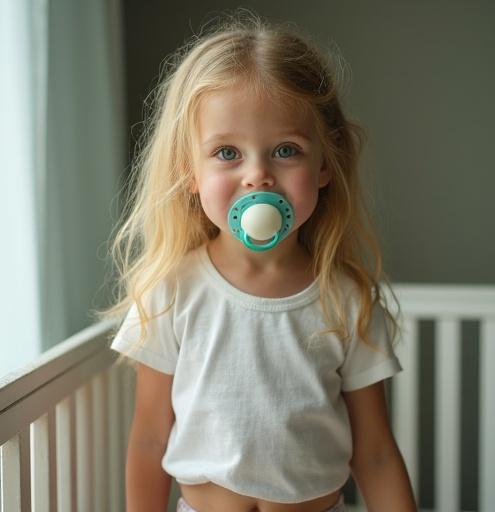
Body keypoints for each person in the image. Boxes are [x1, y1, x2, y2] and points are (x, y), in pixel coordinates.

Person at [99, 8, 417, 512]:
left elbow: (375, 455)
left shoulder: (346, 300)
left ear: (324, 167)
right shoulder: (172, 291)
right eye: (227, 153)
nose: (258, 176)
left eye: (286, 150)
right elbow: (148, 441)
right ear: (190, 172)